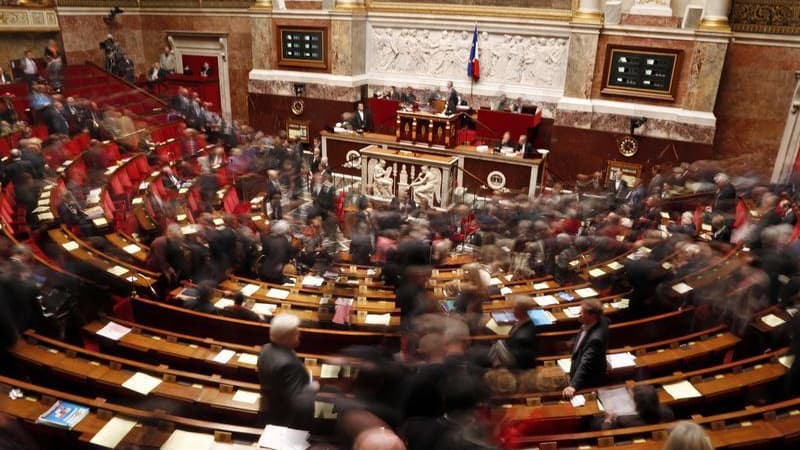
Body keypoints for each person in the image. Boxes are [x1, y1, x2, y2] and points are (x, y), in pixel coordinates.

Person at [256, 313, 316, 427]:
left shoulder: (266, 349)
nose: (299, 334)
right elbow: (299, 404)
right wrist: (312, 388)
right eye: (295, 332)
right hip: (286, 420)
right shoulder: (290, 365)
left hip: (272, 408)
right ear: (286, 337)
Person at [562, 299, 609, 399]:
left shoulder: (595, 339)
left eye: (582, 312)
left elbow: (586, 363)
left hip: (588, 379)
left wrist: (573, 386)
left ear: (593, 316)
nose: (579, 314)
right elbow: (608, 321)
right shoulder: (602, 320)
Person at [596, 384, 674, 429]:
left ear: (638, 405)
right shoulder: (667, 412)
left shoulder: (625, 420)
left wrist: (608, 419)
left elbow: (606, 432)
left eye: (632, 399)